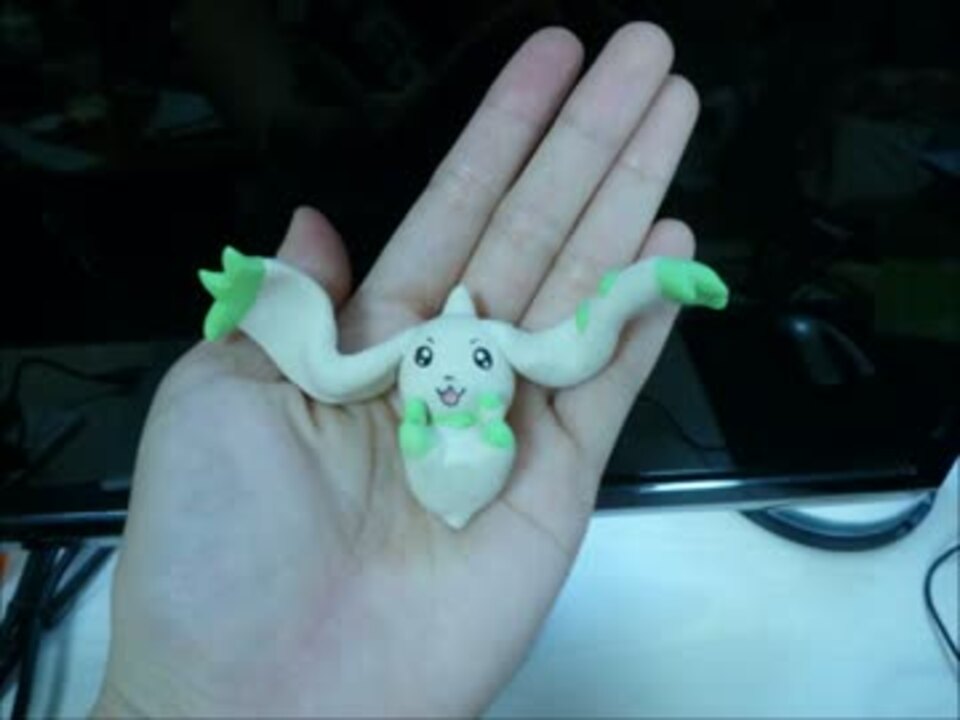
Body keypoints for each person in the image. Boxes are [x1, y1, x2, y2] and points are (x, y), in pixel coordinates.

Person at [93, 22, 700, 717]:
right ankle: (448, 444)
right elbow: (329, 371)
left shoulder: (489, 346)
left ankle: (479, 442)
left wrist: (645, 285)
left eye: (473, 360)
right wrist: (264, 295)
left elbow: (573, 348)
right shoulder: (421, 355)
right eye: (434, 360)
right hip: (436, 460)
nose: (450, 372)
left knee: (485, 439)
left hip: (475, 456)